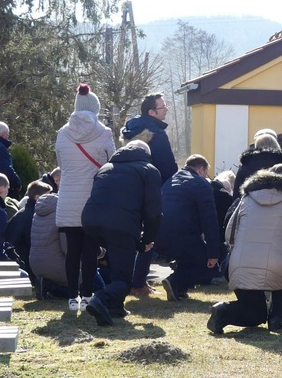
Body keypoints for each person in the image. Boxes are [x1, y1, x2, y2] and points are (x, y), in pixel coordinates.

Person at [207, 164, 282, 334]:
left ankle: (223, 311)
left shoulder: (246, 199)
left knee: (255, 314)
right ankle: (277, 318)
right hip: (280, 267)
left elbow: (229, 234)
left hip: (240, 263)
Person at [82, 140, 162, 326]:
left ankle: (116, 307)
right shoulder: (149, 170)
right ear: (147, 155)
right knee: (125, 280)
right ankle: (99, 299)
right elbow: (154, 211)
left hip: (90, 221)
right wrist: (147, 240)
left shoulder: (105, 167)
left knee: (118, 268)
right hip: (121, 225)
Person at [55, 84, 116, 312]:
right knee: (90, 251)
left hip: (69, 199)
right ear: (96, 109)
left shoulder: (62, 134)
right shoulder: (104, 133)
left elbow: (62, 165)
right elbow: (111, 163)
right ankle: (89, 295)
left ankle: (72, 298)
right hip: (93, 201)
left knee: (72, 251)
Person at [122, 92, 178, 296]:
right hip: (151, 189)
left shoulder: (130, 131)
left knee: (131, 235)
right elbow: (168, 166)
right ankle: (138, 283)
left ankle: (130, 281)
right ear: (152, 111)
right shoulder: (158, 134)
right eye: (163, 108)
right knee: (149, 235)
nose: (167, 110)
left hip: (129, 189)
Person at [156, 154, 219, 302]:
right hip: (183, 233)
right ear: (201, 169)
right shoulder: (201, 184)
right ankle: (174, 282)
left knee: (189, 256)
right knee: (205, 262)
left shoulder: (170, 181)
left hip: (160, 232)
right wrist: (214, 252)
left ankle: (179, 289)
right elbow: (210, 220)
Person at [5, 181, 53, 283]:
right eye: (47, 196)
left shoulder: (22, 213)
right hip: (26, 264)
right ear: (37, 197)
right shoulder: (34, 216)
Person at [233, 130, 282, 198]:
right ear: (276, 144)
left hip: (250, 206)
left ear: (256, 145)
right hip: (281, 207)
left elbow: (237, 195)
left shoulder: (245, 166)